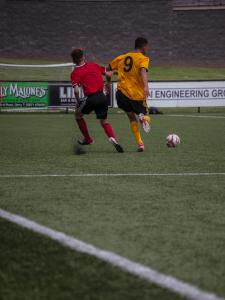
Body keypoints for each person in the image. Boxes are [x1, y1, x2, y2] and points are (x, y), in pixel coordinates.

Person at [70, 48, 123, 153]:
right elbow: (108, 74)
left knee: (78, 115)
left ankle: (88, 139)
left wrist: (78, 101)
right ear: (83, 57)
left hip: (91, 98)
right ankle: (113, 138)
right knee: (104, 121)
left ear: (73, 60)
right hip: (102, 98)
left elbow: (76, 91)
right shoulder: (93, 65)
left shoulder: (75, 73)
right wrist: (108, 83)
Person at [108, 37, 151, 152]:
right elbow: (142, 71)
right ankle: (142, 117)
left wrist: (108, 82)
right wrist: (146, 86)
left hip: (121, 93)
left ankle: (140, 144)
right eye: (147, 47)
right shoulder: (143, 58)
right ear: (143, 47)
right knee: (145, 113)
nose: (147, 49)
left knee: (131, 117)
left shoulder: (122, 57)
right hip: (136, 94)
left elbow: (108, 71)